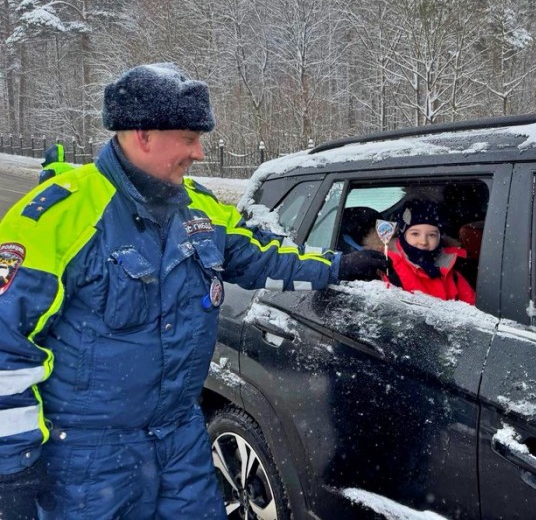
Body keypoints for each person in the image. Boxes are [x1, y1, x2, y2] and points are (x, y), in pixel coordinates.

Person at [0, 63, 388, 519]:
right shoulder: (57, 216)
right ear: (143, 133)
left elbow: (262, 258)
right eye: (188, 138)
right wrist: (14, 469)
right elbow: (8, 349)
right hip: (87, 458)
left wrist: (341, 264)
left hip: (181, 442)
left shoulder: (200, 208)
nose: (200, 152)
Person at [383, 199, 476, 304]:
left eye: (432, 235)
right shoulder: (388, 266)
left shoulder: (450, 269)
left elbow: (474, 307)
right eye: (415, 234)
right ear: (403, 235)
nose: (423, 242)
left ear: (439, 238)